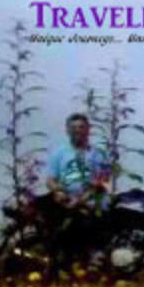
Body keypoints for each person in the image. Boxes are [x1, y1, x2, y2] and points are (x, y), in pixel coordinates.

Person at [39, 113, 112, 266]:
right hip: (65, 197)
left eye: (81, 127)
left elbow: (101, 182)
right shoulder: (59, 153)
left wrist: (79, 200)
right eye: (73, 128)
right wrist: (57, 191)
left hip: (90, 201)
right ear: (67, 131)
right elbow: (50, 179)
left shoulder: (98, 154)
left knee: (86, 219)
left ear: (88, 130)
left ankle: (93, 256)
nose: (77, 131)